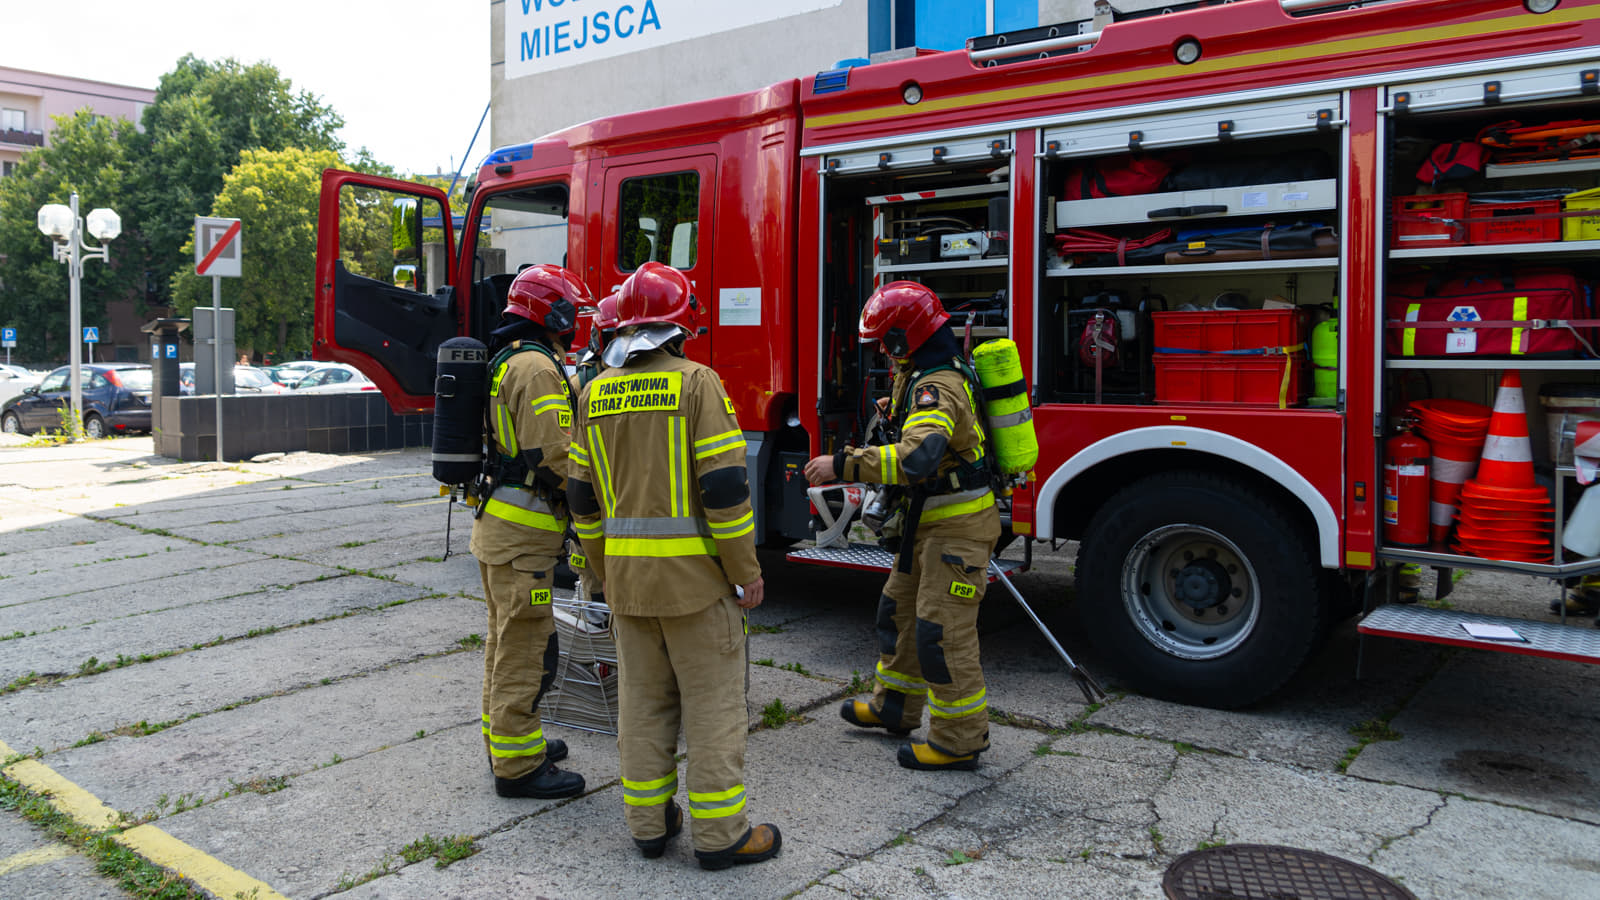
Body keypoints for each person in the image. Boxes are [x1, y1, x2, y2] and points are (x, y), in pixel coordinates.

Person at [568, 262, 781, 870]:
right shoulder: (697, 383)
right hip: (696, 589)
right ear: (681, 326)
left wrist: (603, 573)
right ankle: (720, 837)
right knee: (713, 712)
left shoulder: (594, 392)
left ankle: (649, 826)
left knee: (642, 709)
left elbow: (582, 500)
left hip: (628, 590)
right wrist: (745, 571)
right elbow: (725, 489)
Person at [803, 281, 1002, 772]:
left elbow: (918, 458)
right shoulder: (920, 372)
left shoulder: (938, 386)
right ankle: (894, 706)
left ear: (903, 337)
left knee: (942, 633)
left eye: (885, 343)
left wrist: (843, 464)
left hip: (956, 527)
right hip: (927, 522)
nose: (883, 353)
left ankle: (959, 741)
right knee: (899, 614)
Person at [472, 263, 592, 799]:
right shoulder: (538, 368)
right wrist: (596, 503)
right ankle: (519, 767)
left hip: (498, 529)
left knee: (504, 643)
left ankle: (506, 742)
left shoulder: (508, 358)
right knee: (526, 651)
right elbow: (554, 456)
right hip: (523, 542)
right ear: (555, 313)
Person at [567, 291, 620, 615]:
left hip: (609, 510)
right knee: (597, 598)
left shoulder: (580, 383)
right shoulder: (580, 384)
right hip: (600, 510)